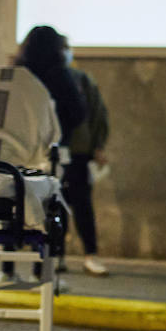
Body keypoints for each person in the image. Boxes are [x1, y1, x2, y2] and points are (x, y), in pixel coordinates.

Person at [6, 25, 87, 284]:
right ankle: (43, 271)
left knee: (14, 204)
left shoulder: (17, 74)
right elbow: (78, 113)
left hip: (17, 150)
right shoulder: (61, 76)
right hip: (51, 153)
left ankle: (6, 268)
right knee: (51, 208)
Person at [58, 34, 110, 277]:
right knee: (56, 206)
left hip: (78, 152)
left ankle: (91, 254)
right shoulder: (42, 79)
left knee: (82, 205)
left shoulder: (80, 80)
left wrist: (98, 146)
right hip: (51, 153)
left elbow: (98, 113)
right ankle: (56, 255)